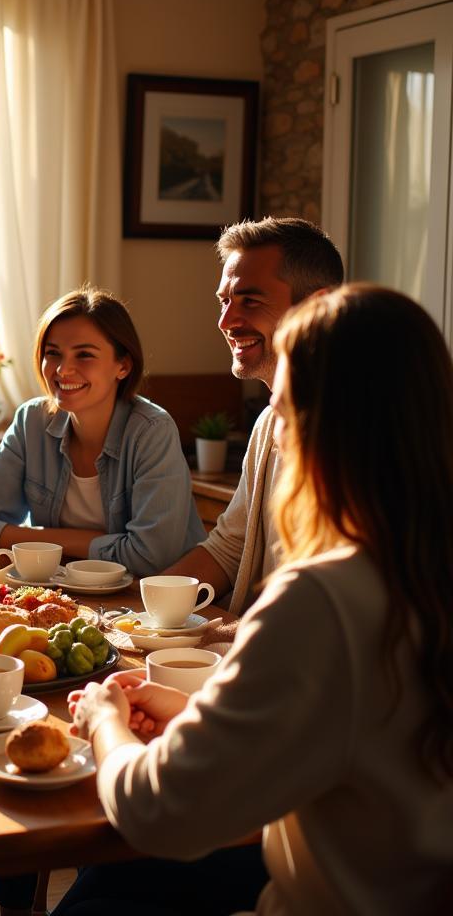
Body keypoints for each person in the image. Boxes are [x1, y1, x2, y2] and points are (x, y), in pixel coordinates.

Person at [65, 284, 453, 915]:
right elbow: (363, 726)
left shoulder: (324, 598)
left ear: (319, 431)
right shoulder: (417, 573)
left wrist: (104, 718)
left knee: (110, 890)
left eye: (288, 407)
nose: (276, 432)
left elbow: (156, 814)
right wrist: (200, 709)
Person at [0, 286, 205, 572]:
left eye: (84, 355)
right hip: (66, 594)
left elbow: (152, 558)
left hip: (159, 605)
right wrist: (61, 541)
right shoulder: (32, 422)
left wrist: (28, 542)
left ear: (123, 366)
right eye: (53, 353)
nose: (63, 370)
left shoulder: (152, 431)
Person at [162, 217, 343, 617]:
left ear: (316, 305)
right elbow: (230, 547)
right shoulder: (267, 424)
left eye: (250, 300)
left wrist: (229, 637)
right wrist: (141, 615)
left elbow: (332, 604)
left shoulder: (354, 431)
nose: (226, 322)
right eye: (225, 300)